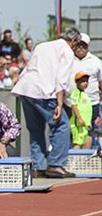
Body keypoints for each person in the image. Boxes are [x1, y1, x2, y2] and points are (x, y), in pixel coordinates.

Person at [11, 27, 81, 178]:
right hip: (44, 89)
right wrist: (60, 103)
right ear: (73, 41)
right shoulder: (66, 50)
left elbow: (28, 67)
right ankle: (56, 164)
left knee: (35, 129)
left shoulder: (42, 45)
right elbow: (62, 78)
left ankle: (38, 166)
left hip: (26, 88)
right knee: (61, 125)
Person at [71, 32, 102, 131]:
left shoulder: (96, 61)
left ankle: (87, 147)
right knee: (73, 132)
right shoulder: (68, 59)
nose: (80, 47)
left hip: (91, 103)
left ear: (88, 47)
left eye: (83, 45)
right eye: (78, 45)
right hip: (71, 104)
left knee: (88, 131)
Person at [70, 72, 93, 149]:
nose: (85, 83)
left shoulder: (84, 94)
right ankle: (74, 160)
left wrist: (88, 123)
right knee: (77, 143)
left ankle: (83, 160)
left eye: (86, 81)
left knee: (84, 142)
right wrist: (79, 118)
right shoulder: (76, 93)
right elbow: (74, 105)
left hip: (84, 124)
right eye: (82, 81)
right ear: (77, 83)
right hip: (78, 124)